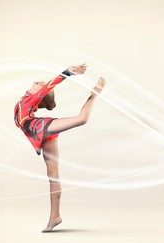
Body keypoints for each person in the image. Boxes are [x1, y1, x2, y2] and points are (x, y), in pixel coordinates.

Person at [14, 64, 106, 232]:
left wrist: (66, 73)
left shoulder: (30, 99)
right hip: (39, 130)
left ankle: (95, 93)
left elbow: (48, 87)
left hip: (39, 126)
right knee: (53, 176)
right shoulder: (26, 100)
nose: (40, 81)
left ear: (40, 95)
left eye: (42, 85)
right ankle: (54, 216)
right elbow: (43, 91)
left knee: (82, 119)